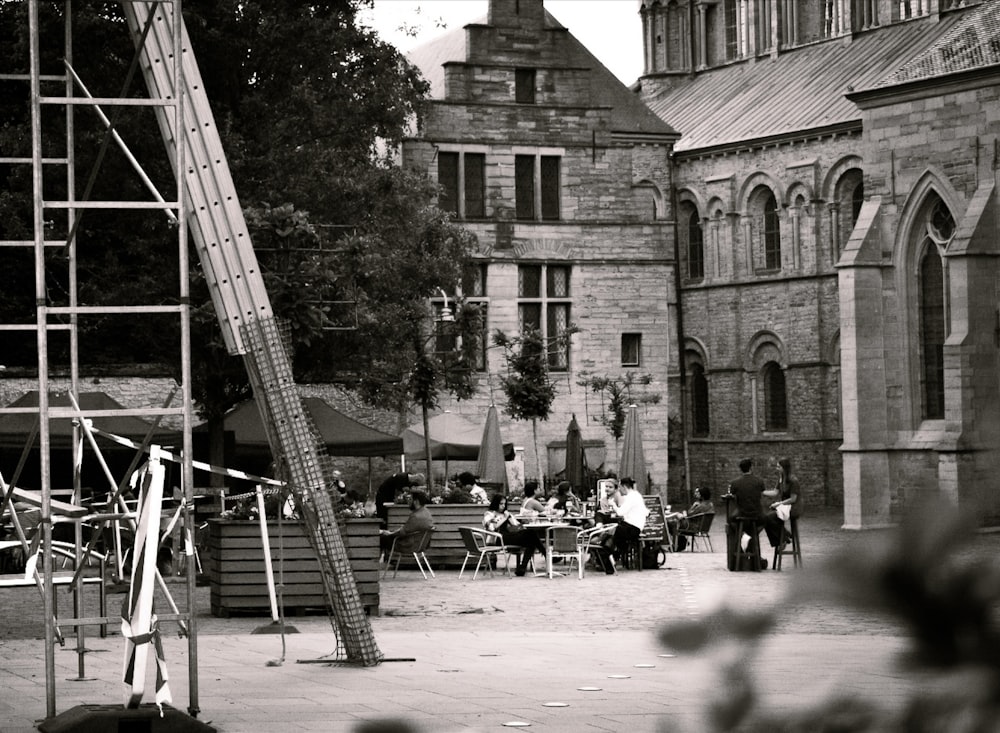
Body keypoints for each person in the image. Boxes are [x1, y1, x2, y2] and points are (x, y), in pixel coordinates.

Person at [482, 494, 545, 577]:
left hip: (508, 536)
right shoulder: (489, 514)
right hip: (496, 538)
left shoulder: (506, 513)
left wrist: (511, 519)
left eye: (504, 504)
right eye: (501, 504)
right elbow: (492, 527)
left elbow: (517, 525)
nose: (503, 506)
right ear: (496, 503)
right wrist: (504, 518)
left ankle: (522, 568)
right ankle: (545, 552)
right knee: (531, 535)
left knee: (531, 540)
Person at [605, 477, 648, 573]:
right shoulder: (636, 495)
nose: (619, 490)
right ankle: (610, 558)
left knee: (611, 531)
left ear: (624, 487)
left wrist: (613, 504)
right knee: (614, 534)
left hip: (632, 528)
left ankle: (607, 556)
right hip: (634, 527)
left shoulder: (631, 497)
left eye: (620, 487)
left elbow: (620, 512)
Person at [379, 490, 433, 557]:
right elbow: (408, 529)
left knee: (381, 538)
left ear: (416, 501)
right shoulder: (426, 512)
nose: (408, 502)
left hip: (408, 546)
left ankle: (378, 561)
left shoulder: (416, 516)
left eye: (410, 499)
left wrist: (389, 533)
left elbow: (402, 532)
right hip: (419, 545)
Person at [764, 457, 802, 548]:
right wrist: (762, 492)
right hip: (785, 507)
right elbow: (775, 492)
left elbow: (793, 499)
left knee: (768, 518)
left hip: (793, 508)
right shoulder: (781, 479)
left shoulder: (793, 481)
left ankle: (783, 538)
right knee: (766, 519)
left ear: (784, 468)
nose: (777, 469)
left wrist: (779, 504)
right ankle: (783, 538)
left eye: (778, 467)